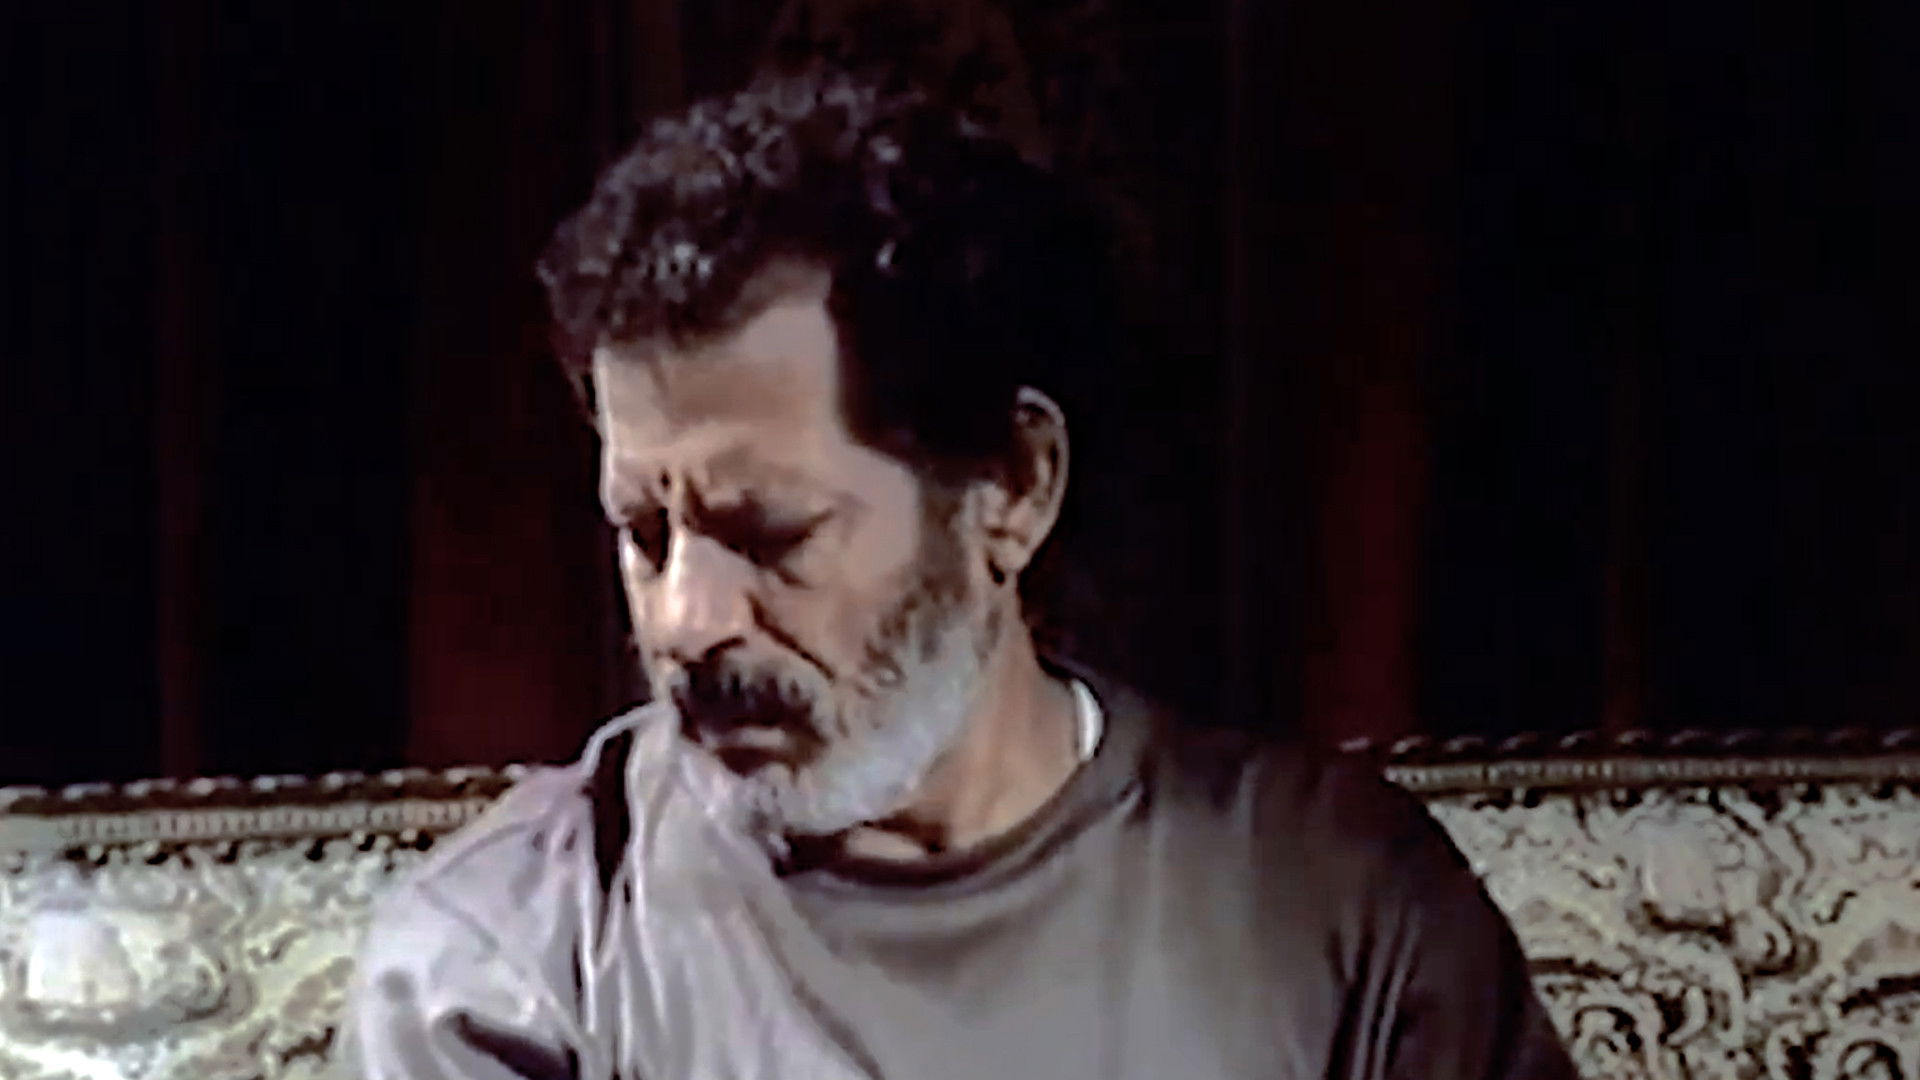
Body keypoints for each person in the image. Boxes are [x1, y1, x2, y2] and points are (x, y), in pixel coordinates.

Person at [338, 59, 1577, 1080]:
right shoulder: (503, 966)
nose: (685, 619)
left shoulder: (1347, 915)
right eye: (643, 534)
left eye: (771, 533)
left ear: (1013, 488)